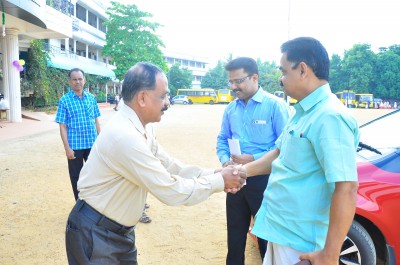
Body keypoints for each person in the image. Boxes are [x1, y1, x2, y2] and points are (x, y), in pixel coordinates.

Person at [65, 62, 246, 265]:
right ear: (142, 98)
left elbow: (168, 165)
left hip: (118, 232)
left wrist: (215, 173)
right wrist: (220, 181)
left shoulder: (142, 127)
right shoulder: (125, 136)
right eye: (163, 96)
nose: (167, 102)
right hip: (95, 233)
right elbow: (170, 190)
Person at [236, 37, 360, 265]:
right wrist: (241, 172)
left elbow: (347, 187)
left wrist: (329, 255)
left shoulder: (330, 117)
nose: (281, 79)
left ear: (302, 69)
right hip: (282, 231)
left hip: (302, 243)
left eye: (284, 72)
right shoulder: (302, 112)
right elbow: (279, 154)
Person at [217, 57, 290, 265]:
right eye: (230, 82)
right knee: (235, 235)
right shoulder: (231, 109)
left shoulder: (275, 107)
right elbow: (222, 138)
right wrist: (225, 162)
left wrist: (253, 159)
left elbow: (284, 147)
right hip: (235, 181)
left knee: (267, 239)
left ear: (255, 77)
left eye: (238, 81)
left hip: (265, 181)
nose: (233, 87)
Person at [55, 68, 101, 201]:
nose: (77, 82)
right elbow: (62, 126)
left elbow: (96, 120)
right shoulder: (64, 100)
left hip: (92, 144)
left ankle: (95, 203)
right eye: (74, 79)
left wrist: (100, 141)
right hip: (75, 146)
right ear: (69, 81)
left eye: (80, 79)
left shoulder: (91, 98)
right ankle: (80, 205)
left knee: (96, 174)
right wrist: (67, 148)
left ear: (84, 80)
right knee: (76, 177)